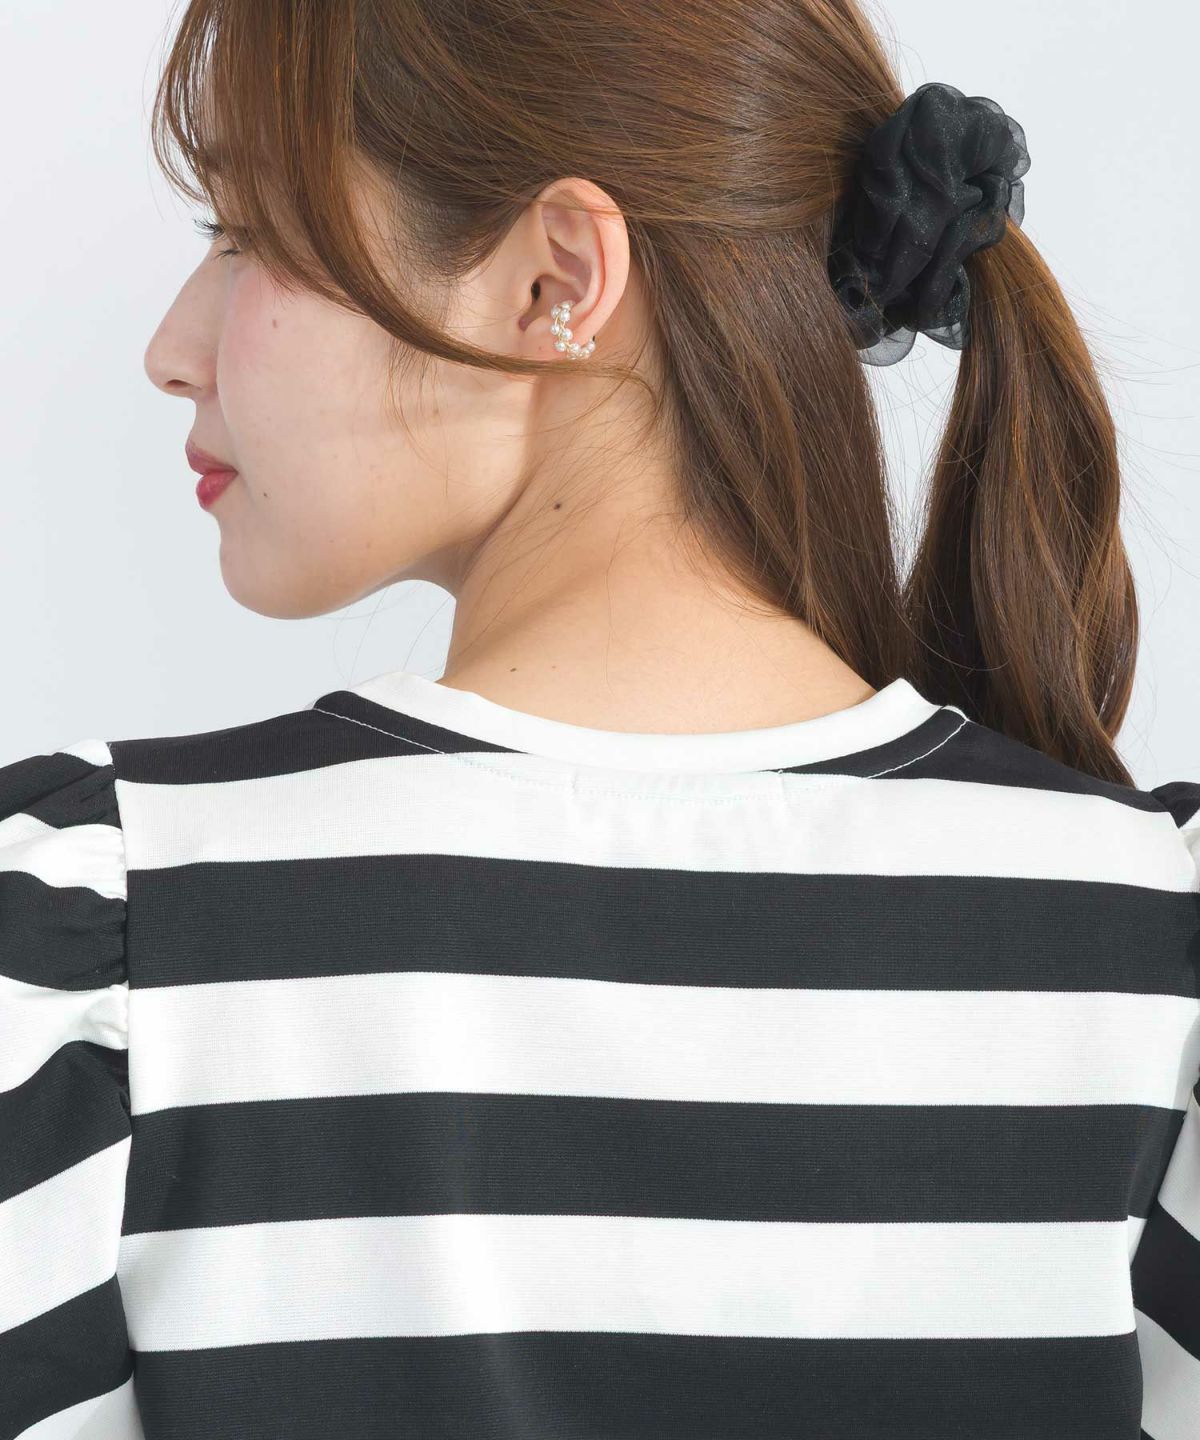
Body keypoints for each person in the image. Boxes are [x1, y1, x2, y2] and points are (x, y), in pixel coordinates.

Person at [1, 1, 1196, 1436]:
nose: (169, 348)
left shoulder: (106, 923)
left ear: (555, 278)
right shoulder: (1149, 941)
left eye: (247, 232)